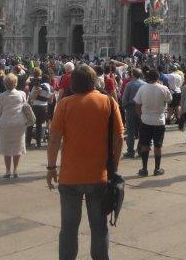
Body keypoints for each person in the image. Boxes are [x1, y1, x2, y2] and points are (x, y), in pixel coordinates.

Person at [47, 64, 123, 260]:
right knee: (99, 227)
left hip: (69, 176)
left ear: (73, 83)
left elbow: (54, 139)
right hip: (99, 176)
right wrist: (114, 165)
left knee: (69, 228)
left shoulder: (64, 104)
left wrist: (50, 167)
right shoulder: (108, 102)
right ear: (94, 82)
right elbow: (119, 138)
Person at [133, 67, 171, 176]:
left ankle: (144, 169)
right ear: (158, 77)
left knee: (145, 145)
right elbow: (169, 100)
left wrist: (140, 116)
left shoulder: (142, 88)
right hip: (159, 120)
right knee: (158, 146)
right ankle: (157, 168)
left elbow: (137, 104)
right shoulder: (163, 88)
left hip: (146, 119)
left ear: (147, 78)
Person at [0, 72, 27, 178]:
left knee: (7, 148)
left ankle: (7, 171)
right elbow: (25, 105)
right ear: (16, 83)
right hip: (19, 123)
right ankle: (15, 170)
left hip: (6, 123)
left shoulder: (1, 96)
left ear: (5, 84)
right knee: (17, 148)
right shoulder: (22, 94)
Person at [26, 68, 52, 148]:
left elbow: (31, 97)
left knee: (30, 124)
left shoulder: (37, 86)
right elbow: (50, 100)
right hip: (44, 106)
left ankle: (28, 142)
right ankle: (38, 143)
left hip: (35, 106)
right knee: (39, 125)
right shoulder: (49, 87)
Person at [120, 68, 143, 157]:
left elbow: (124, 99)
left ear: (133, 74)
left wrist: (124, 106)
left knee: (130, 131)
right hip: (141, 109)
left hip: (131, 109)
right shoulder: (144, 84)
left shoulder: (129, 85)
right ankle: (140, 149)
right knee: (141, 130)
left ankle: (130, 151)